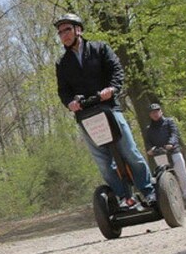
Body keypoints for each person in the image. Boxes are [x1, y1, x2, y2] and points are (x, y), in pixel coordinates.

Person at [54, 13, 156, 208]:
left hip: (109, 108)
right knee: (102, 161)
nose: (63, 35)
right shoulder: (62, 63)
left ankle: (148, 191)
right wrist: (69, 103)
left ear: (78, 29)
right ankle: (124, 197)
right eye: (60, 33)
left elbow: (117, 70)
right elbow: (63, 90)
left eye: (67, 29)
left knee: (129, 151)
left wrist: (112, 88)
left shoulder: (100, 49)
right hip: (86, 116)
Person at [144, 103, 186, 201]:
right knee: (165, 178)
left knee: (182, 174)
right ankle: (174, 199)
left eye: (157, 111)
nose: (155, 114)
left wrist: (170, 143)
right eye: (153, 113)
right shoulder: (149, 129)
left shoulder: (169, 122)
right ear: (150, 115)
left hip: (174, 152)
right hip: (160, 155)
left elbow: (174, 134)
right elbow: (148, 142)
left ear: (161, 112)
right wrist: (150, 150)